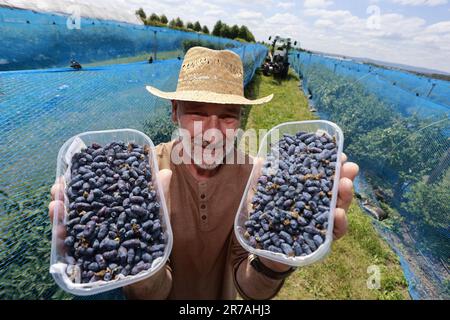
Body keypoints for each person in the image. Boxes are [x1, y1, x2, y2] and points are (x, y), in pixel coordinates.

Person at [49, 47, 359, 300]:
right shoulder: (143, 171)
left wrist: (274, 261)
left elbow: (248, 284)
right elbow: (153, 290)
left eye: (227, 116)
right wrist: (144, 272)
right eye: (197, 112)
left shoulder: (257, 181)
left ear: (240, 120)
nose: (211, 134)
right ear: (174, 111)